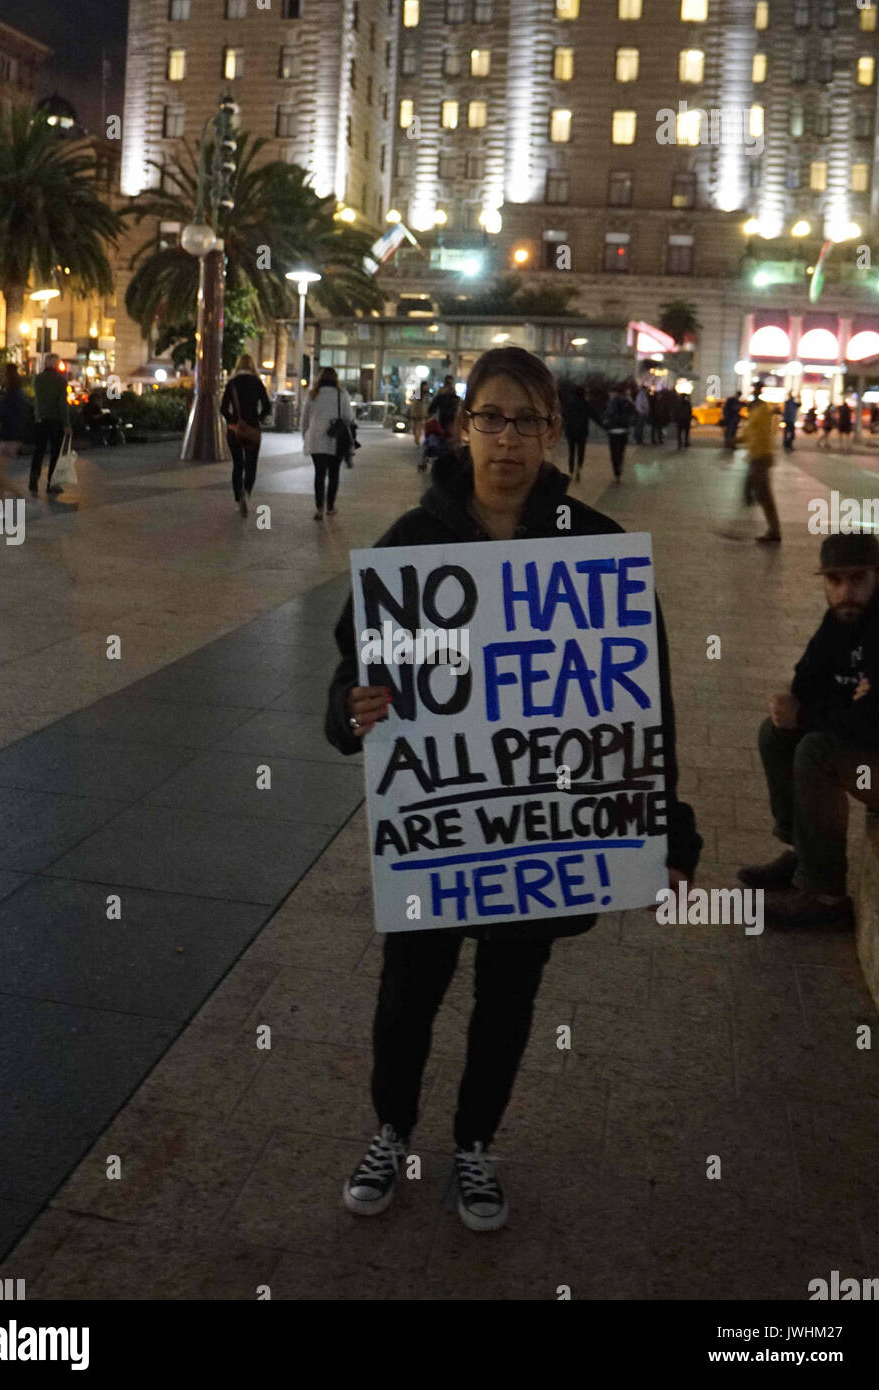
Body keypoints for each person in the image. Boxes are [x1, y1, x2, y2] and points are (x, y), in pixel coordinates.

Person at [324, 345, 702, 1232]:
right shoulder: (409, 548)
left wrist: (667, 829)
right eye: (491, 418)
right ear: (463, 427)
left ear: (551, 434)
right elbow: (352, 672)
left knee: (509, 994)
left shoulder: (596, 551)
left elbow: (640, 702)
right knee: (408, 992)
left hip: (542, 839)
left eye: (528, 421)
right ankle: (391, 1129)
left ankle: (474, 1146)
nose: (508, 440)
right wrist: (353, 710)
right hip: (441, 834)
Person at [737, 534, 879, 929]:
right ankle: (802, 856)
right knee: (776, 734)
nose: (845, 592)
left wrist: (819, 712)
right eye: (834, 581)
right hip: (877, 747)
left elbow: (875, 723)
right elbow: (805, 683)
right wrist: (845, 703)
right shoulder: (843, 615)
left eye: (857, 578)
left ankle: (825, 896)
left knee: (817, 751)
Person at [220, 353, 272, 516]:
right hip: (252, 429)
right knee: (251, 465)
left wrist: (232, 420)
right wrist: (257, 419)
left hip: (235, 429)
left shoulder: (232, 383)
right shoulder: (257, 383)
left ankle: (237, 500)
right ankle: (246, 493)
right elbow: (267, 407)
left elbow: (223, 408)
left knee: (237, 465)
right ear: (252, 366)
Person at [301, 365, 354, 519]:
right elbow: (348, 417)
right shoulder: (341, 394)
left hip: (316, 439)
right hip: (335, 439)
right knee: (333, 474)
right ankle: (330, 506)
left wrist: (305, 437)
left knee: (319, 474)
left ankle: (319, 508)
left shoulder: (313, 394)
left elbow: (305, 419)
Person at [736, 392, 781, 542]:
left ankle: (774, 531)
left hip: (761, 458)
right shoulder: (758, 416)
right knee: (762, 495)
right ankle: (773, 529)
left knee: (765, 495)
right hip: (758, 458)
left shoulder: (760, 415)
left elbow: (757, 435)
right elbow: (751, 435)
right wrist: (735, 440)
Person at [28, 353, 71, 495]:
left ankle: (33, 480)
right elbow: (62, 404)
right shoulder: (60, 380)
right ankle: (51, 483)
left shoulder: (38, 379)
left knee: (39, 450)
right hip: (55, 420)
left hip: (40, 419)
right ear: (55, 364)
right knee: (55, 452)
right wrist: (66, 424)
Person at [0, 363, 32, 501]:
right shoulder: (15, 393)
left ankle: (19, 493)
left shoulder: (13, 395)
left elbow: (10, 416)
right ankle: (0, 507)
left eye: (1, 373)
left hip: (9, 438)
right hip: (9, 436)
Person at [559, 381, 597, 481]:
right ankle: (578, 469)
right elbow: (594, 416)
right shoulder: (585, 404)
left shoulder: (569, 403)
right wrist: (605, 425)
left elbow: (563, 416)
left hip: (570, 431)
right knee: (581, 452)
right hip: (582, 432)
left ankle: (570, 472)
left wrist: (560, 428)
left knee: (571, 452)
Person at [602, 384, 636, 483]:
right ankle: (619, 470)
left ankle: (616, 472)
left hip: (613, 431)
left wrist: (605, 424)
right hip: (624, 430)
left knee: (614, 453)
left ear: (613, 393)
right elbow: (633, 412)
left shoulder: (612, 402)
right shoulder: (626, 401)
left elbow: (608, 415)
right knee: (621, 452)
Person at [410, 382, 430, 446]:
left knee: (419, 426)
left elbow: (428, 403)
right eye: (425, 386)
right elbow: (411, 400)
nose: (426, 387)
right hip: (415, 411)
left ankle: (417, 439)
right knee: (414, 427)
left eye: (426, 386)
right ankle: (416, 437)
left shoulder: (427, 394)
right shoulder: (417, 392)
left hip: (422, 412)